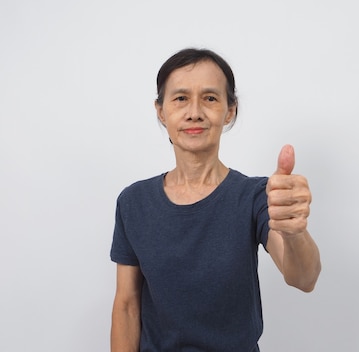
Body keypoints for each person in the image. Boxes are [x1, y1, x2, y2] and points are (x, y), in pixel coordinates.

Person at [110, 48, 321, 352]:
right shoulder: (133, 202)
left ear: (230, 110)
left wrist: (294, 231)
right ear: (160, 110)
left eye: (210, 98)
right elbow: (127, 305)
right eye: (180, 98)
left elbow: (304, 278)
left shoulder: (256, 196)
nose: (194, 111)